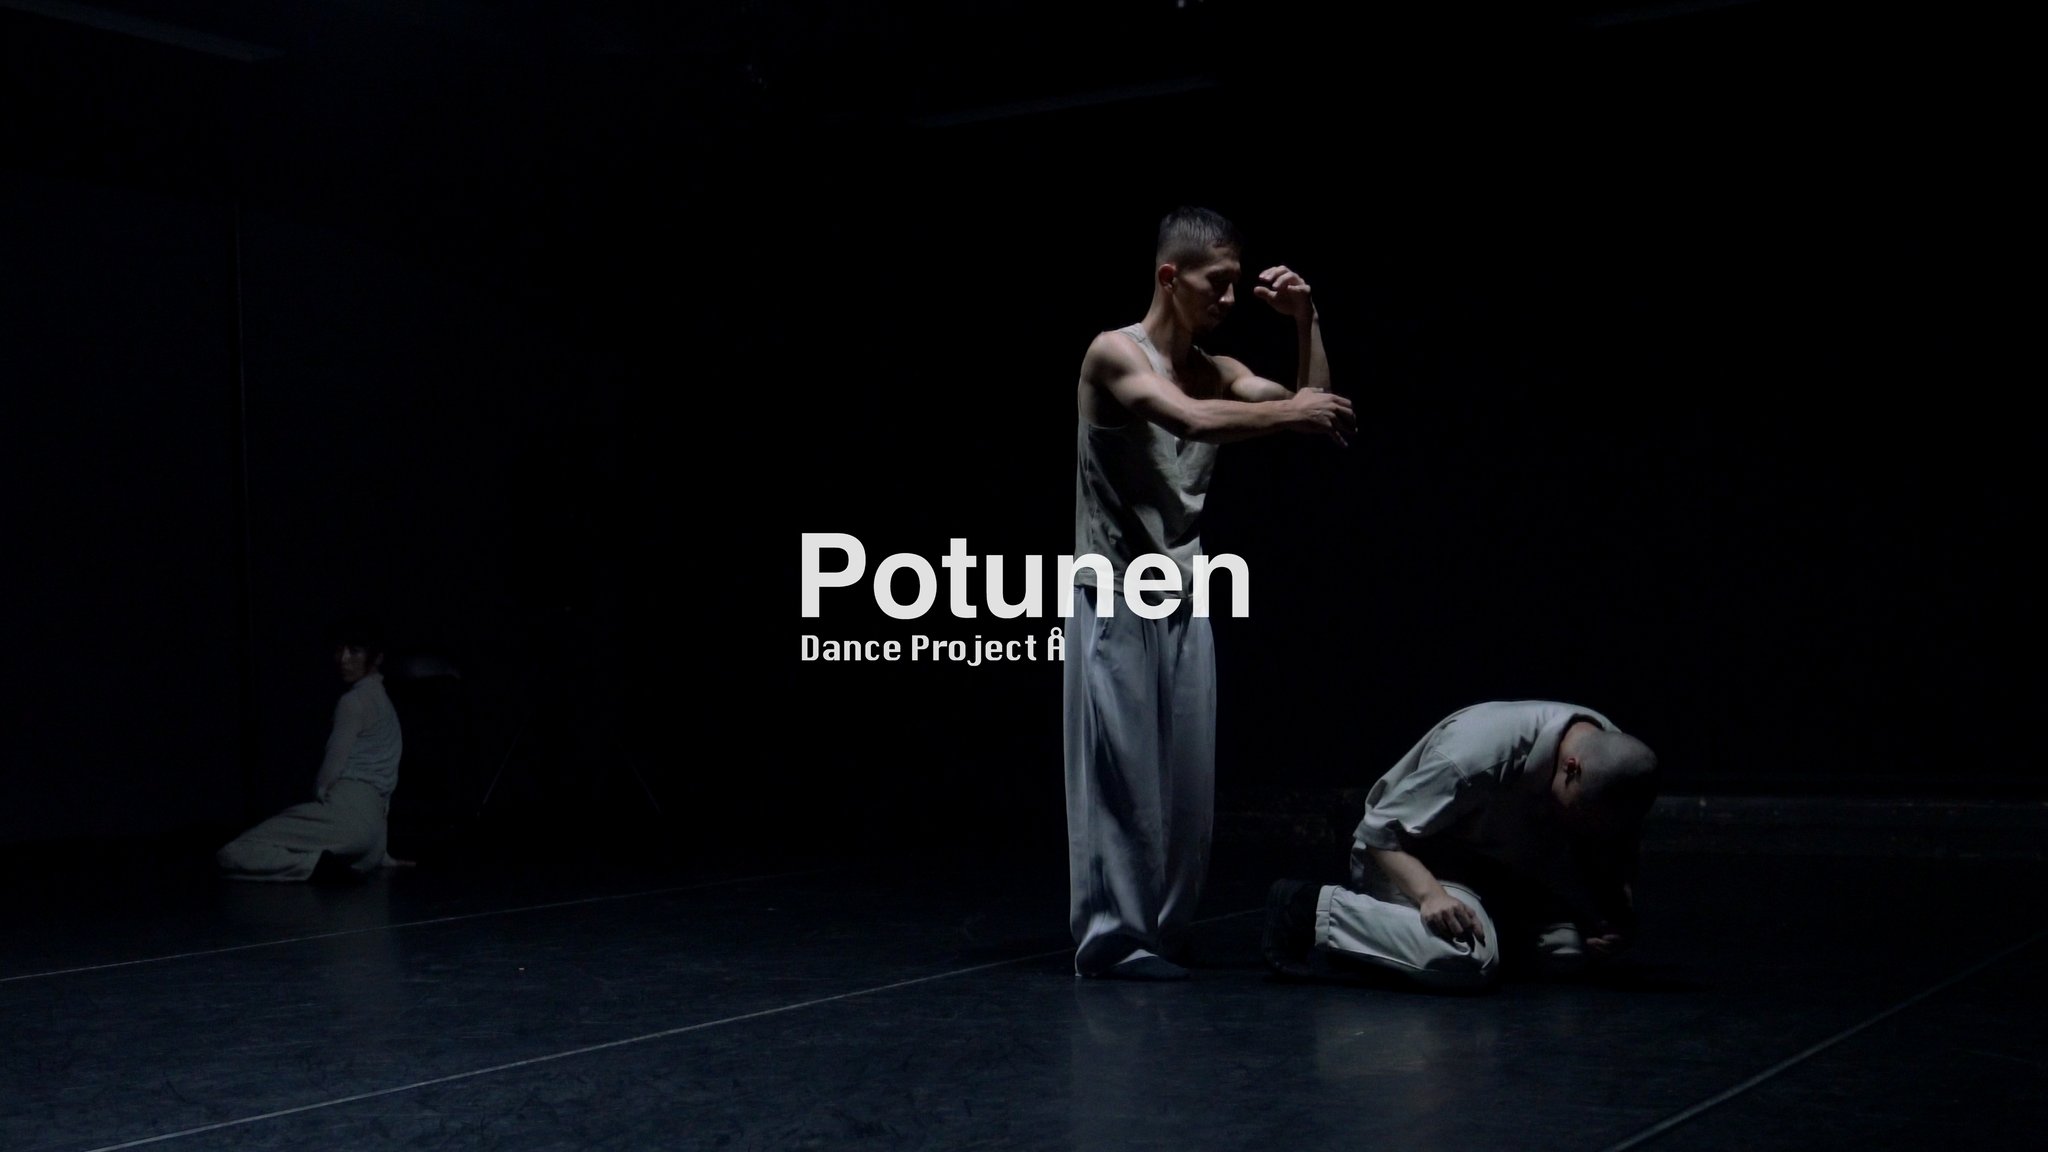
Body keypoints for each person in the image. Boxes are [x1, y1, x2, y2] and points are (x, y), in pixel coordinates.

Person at [1065, 206, 1357, 980]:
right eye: (1216, 283)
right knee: (1123, 776)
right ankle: (1114, 941)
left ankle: (1165, 931)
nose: (1229, 299)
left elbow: (1315, 411)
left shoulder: (1220, 368)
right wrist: (1290, 409)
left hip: (1186, 589)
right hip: (1116, 589)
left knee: (1186, 786)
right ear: (1171, 276)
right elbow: (1189, 420)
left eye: (1236, 284)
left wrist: (1307, 320)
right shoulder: (1112, 353)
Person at [1262, 700, 1660, 990]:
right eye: (1580, 815)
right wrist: (1430, 895)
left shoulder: (1614, 760)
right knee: (1468, 959)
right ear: (1572, 768)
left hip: (1492, 874)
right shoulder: (1477, 752)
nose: (1583, 829)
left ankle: (1410, 941)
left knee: (1570, 951)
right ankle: (1310, 908)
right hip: (1407, 860)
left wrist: (1617, 915)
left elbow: (1615, 844)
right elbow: (1379, 833)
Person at [217, 618, 413, 881]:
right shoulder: (387, 708)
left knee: (234, 852)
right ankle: (320, 864)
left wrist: (321, 796)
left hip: (347, 812)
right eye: (340, 650)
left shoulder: (353, 702)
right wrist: (380, 851)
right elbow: (387, 782)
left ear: (377, 657)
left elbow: (332, 767)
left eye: (354, 651)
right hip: (373, 836)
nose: (343, 659)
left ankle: (312, 866)